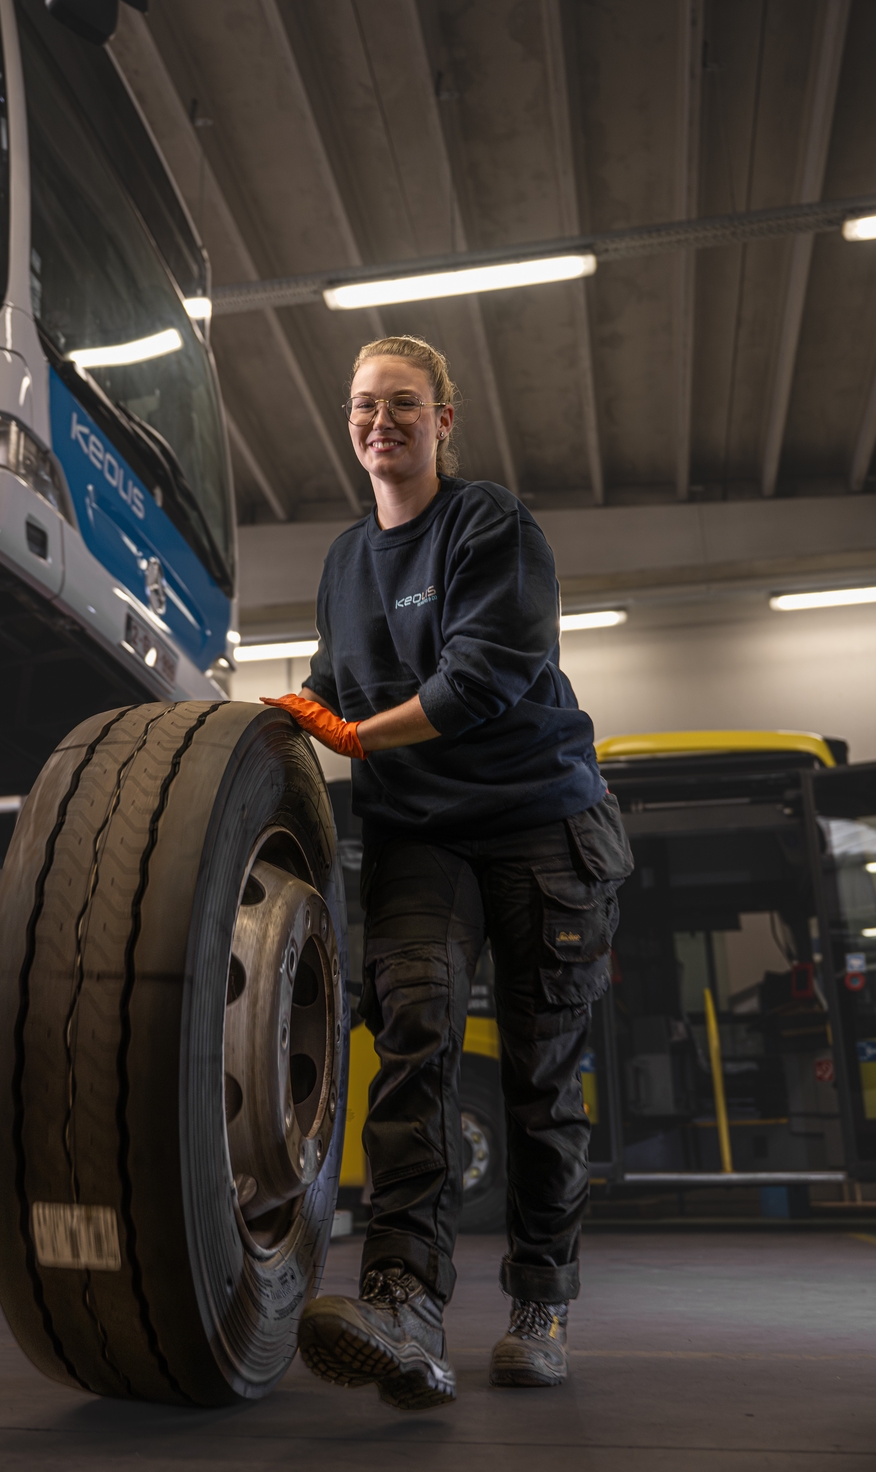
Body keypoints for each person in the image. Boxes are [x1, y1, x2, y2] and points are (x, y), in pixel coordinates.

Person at [262, 335, 632, 1411]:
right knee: (412, 1046)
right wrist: (282, 722)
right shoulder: (341, 560)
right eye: (364, 406)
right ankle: (403, 1306)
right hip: (420, 837)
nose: (381, 422)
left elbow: (484, 677)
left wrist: (356, 735)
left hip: (538, 827)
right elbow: (336, 680)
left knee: (537, 1080)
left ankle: (538, 1305)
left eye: (404, 405)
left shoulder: (490, 526)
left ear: (443, 421)